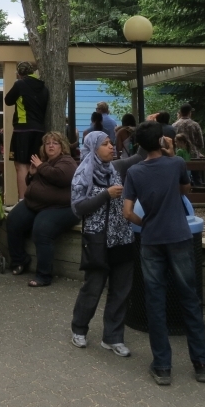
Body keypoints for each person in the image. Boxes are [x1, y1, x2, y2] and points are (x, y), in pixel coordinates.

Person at [122, 120, 205, 385]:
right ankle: (202, 363)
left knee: (155, 301)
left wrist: (146, 223)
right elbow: (186, 190)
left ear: (138, 144)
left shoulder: (135, 172)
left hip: (151, 240)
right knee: (189, 299)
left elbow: (128, 212)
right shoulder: (176, 164)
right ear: (162, 139)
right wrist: (172, 154)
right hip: (180, 237)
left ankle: (162, 366)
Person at [70, 131, 135, 357]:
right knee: (93, 288)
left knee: (121, 290)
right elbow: (79, 208)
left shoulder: (117, 169)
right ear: (93, 148)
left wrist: (152, 128)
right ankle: (79, 329)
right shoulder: (82, 174)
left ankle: (113, 338)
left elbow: (141, 156)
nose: (111, 147)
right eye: (105, 144)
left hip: (122, 238)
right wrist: (106, 194)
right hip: (97, 240)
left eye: (111, 143)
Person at [6, 131, 78, 287]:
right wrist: (31, 174)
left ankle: (44, 275)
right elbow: (36, 182)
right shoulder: (45, 161)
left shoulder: (67, 161)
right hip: (35, 203)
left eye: (55, 143)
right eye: (47, 143)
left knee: (42, 229)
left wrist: (41, 166)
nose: (51, 146)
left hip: (60, 207)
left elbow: (60, 177)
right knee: (13, 220)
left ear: (62, 146)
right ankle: (20, 260)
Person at [4, 61, 49, 200]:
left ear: (19, 74)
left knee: (21, 164)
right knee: (34, 163)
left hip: (23, 129)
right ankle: (35, 198)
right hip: (39, 129)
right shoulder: (44, 87)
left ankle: (23, 200)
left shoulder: (20, 84)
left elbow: (8, 100)